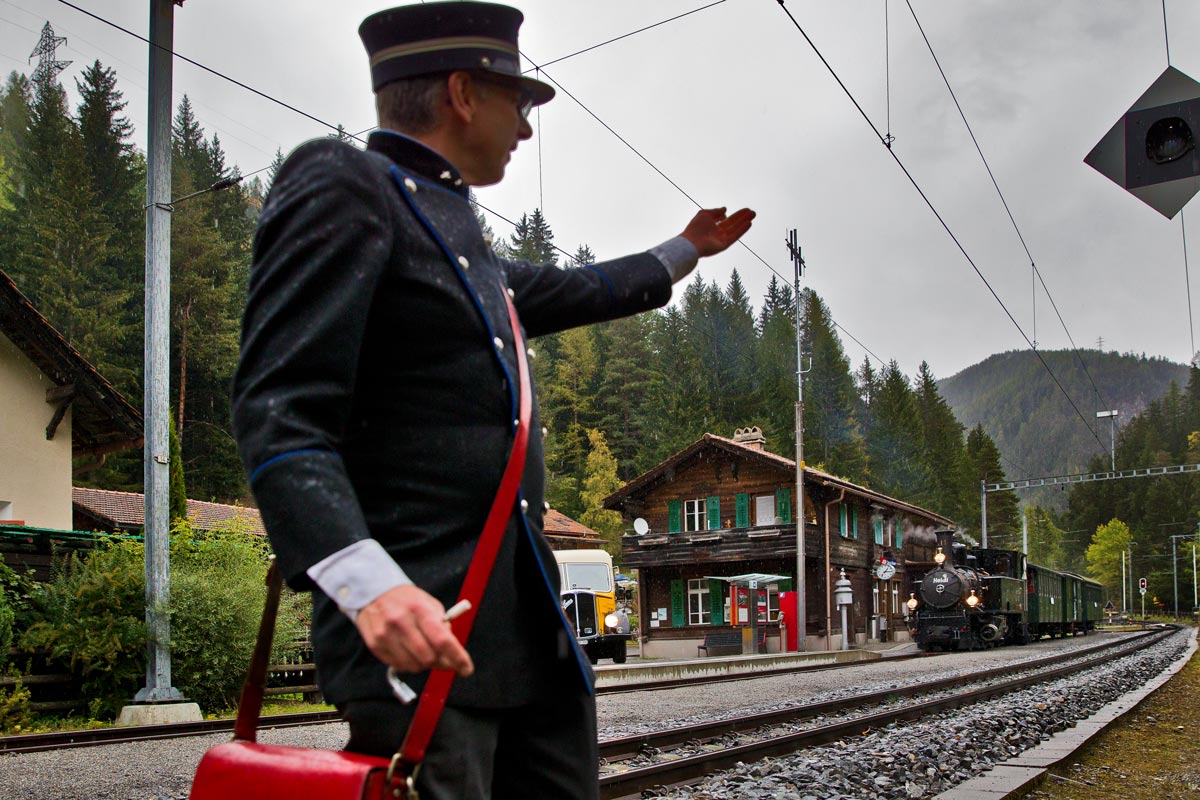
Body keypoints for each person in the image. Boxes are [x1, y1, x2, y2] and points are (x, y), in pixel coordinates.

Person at [231, 2, 754, 798]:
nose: (528, 129)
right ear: (463, 93)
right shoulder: (345, 183)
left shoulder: (457, 234)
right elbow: (281, 410)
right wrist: (367, 585)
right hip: (421, 632)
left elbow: (576, 288)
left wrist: (687, 250)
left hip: (530, 640)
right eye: (521, 102)